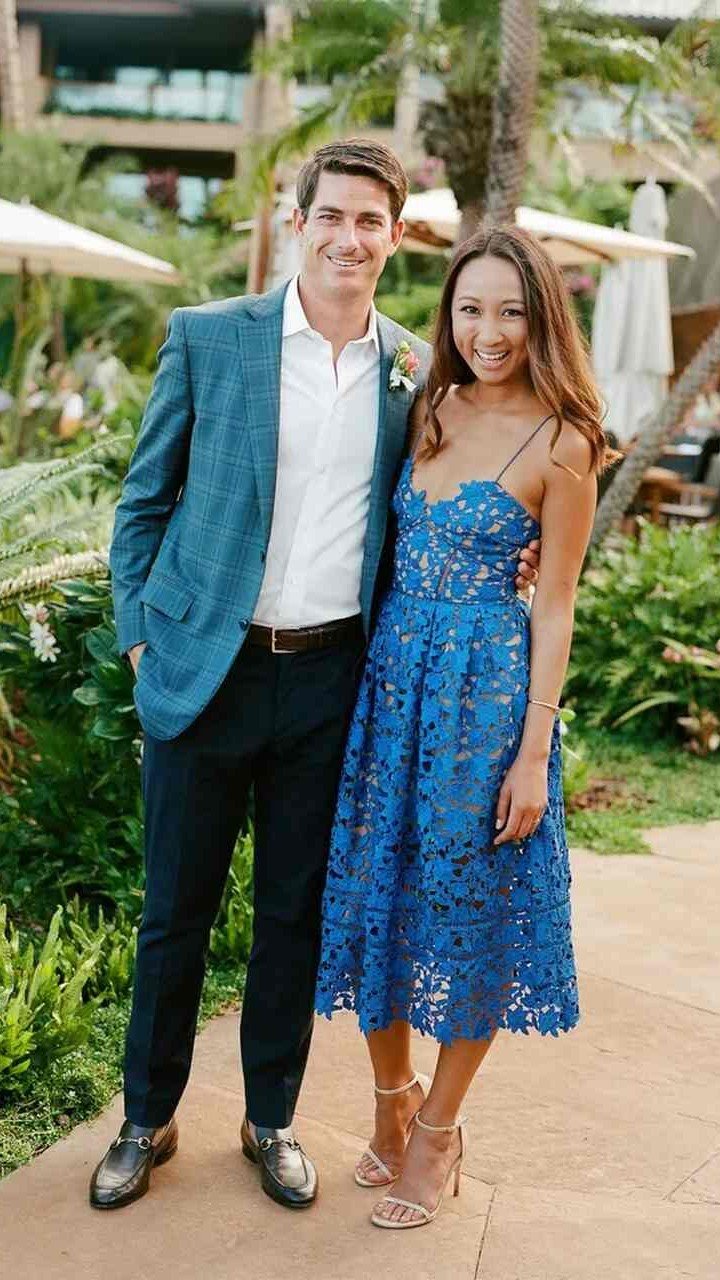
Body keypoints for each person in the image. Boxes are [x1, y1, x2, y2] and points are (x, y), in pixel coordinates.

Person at [90, 140, 540, 1213]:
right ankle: (145, 1119)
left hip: (333, 679)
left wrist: (515, 550)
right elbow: (142, 504)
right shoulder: (210, 337)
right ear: (301, 222)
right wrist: (143, 642)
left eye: (369, 219)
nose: (348, 236)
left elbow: (450, 495)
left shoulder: (417, 374)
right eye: (330, 214)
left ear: (396, 236)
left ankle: (272, 1117)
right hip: (206, 670)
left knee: (295, 913)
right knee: (175, 912)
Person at [315, 224, 615, 1229]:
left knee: (469, 913)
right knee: (377, 901)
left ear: (543, 319)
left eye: (512, 312)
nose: (490, 331)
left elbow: (556, 604)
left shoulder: (565, 440)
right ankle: (391, 1098)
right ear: (448, 315)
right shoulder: (425, 408)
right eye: (472, 308)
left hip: (485, 702)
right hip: (391, 691)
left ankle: (438, 1132)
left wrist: (534, 751)